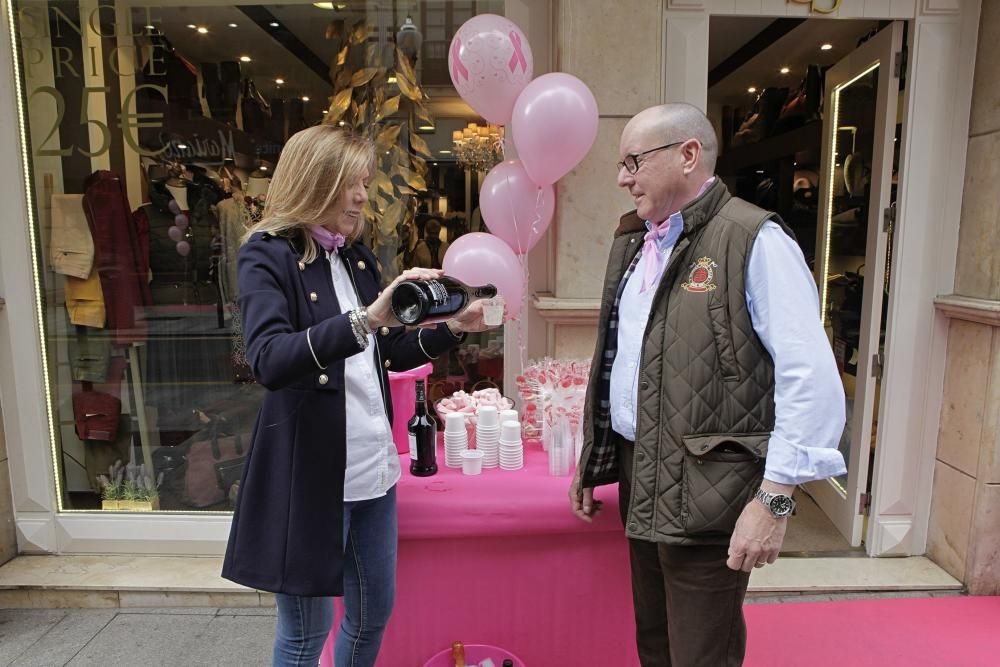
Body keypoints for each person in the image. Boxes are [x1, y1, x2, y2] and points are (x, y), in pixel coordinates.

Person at [570, 103, 846, 666]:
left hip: (709, 489)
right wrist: (593, 461)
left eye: (633, 162)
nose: (623, 178)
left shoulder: (754, 239)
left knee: (702, 654)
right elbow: (622, 364)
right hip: (639, 473)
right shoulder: (634, 243)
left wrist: (775, 499)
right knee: (656, 645)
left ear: (688, 155)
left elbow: (809, 375)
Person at [222, 125, 496, 667]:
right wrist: (367, 318)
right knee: (306, 633)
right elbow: (270, 359)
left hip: (373, 474)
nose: (362, 195)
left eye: (365, 182)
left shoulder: (356, 258)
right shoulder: (267, 255)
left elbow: (387, 350)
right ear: (315, 180)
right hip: (310, 478)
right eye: (353, 182)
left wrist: (454, 328)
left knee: (372, 616)